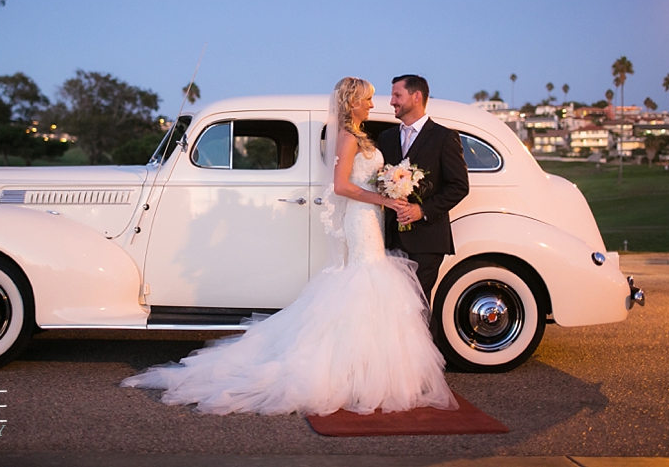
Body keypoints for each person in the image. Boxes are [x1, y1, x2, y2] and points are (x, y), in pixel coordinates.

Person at [120, 77, 457, 416]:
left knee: (370, 289)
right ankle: (353, 372)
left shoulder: (365, 136)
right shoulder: (347, 137)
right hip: (362, 217)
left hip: (371, 219)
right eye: (368, 99)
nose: (375, 104)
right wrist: (380, 197)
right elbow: (341, 186)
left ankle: (363, 369)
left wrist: (390, 191)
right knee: (363, 284)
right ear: (353, 102)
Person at [377, 74, 470, 306]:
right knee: (394, 306)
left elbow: (459, 186)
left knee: (414, 306)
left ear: (416, 96)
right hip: (391, 240)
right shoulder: (386, 138)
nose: (392, 101)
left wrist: (422, 210)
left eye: (397, 95)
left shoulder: (444, 137)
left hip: (427, 240)